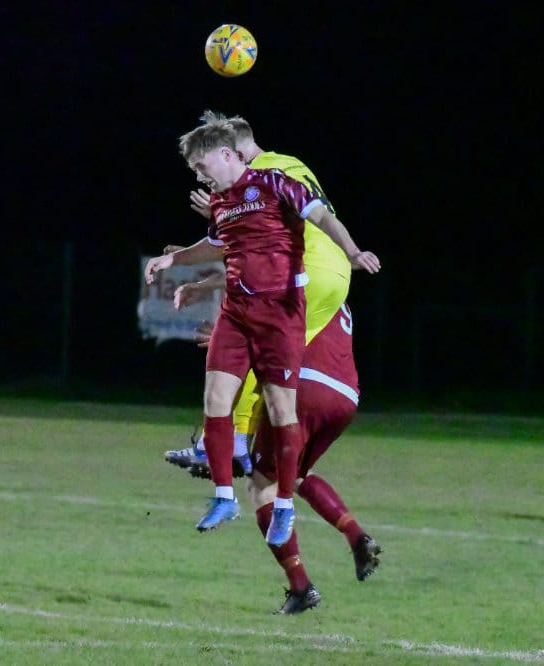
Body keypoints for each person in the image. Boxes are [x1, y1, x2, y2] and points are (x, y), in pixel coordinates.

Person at [144, 120, 380, 546]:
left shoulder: (274, 181)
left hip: (281, 313)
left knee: (280, 408)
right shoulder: (222, 201)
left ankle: (283, 503)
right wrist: (173, 261)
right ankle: (224, 496)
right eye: (193, 169)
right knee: (215, 399)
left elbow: (320, 215)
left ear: (229, 154)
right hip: (237, 311)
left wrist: (352, 250)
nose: (199, 175)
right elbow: (218, 246)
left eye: (201, 165)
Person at [163, 111, 356, 481]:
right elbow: (255, 252)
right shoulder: (290, 164)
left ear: (233, 154)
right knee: (266, 353)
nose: (207, 177)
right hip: (334, 275)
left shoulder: (260, 177)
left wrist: (222, 214)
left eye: (206, 165)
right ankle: (236, 441)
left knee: (256, 348)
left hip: (305, 270)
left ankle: (228, 442)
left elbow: (254, 244)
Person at [195, 304, 382, 614]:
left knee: (261, 484)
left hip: (303, 385)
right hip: (345, 396)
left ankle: (301, 586)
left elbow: (266, 327)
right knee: (293, 473)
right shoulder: (337, 290)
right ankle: (356, 536)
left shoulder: (293, 283)